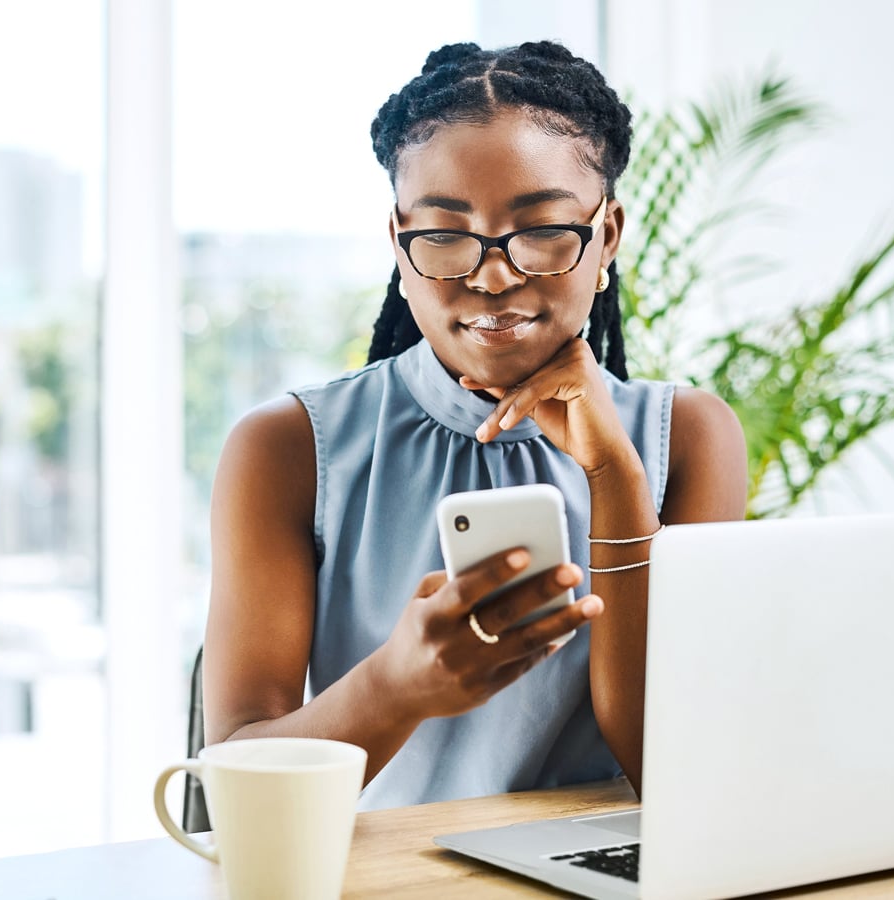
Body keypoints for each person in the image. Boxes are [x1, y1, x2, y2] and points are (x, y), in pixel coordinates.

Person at [203, 39, 747, 809]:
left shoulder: (687, 437)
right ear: (399, 241)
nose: (494, 275)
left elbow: (677, 773)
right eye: (445, 234)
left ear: (609, 234)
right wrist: (395, 688)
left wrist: (616, 478)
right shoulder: (289, 448)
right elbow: (235, 782)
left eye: (544, 229)